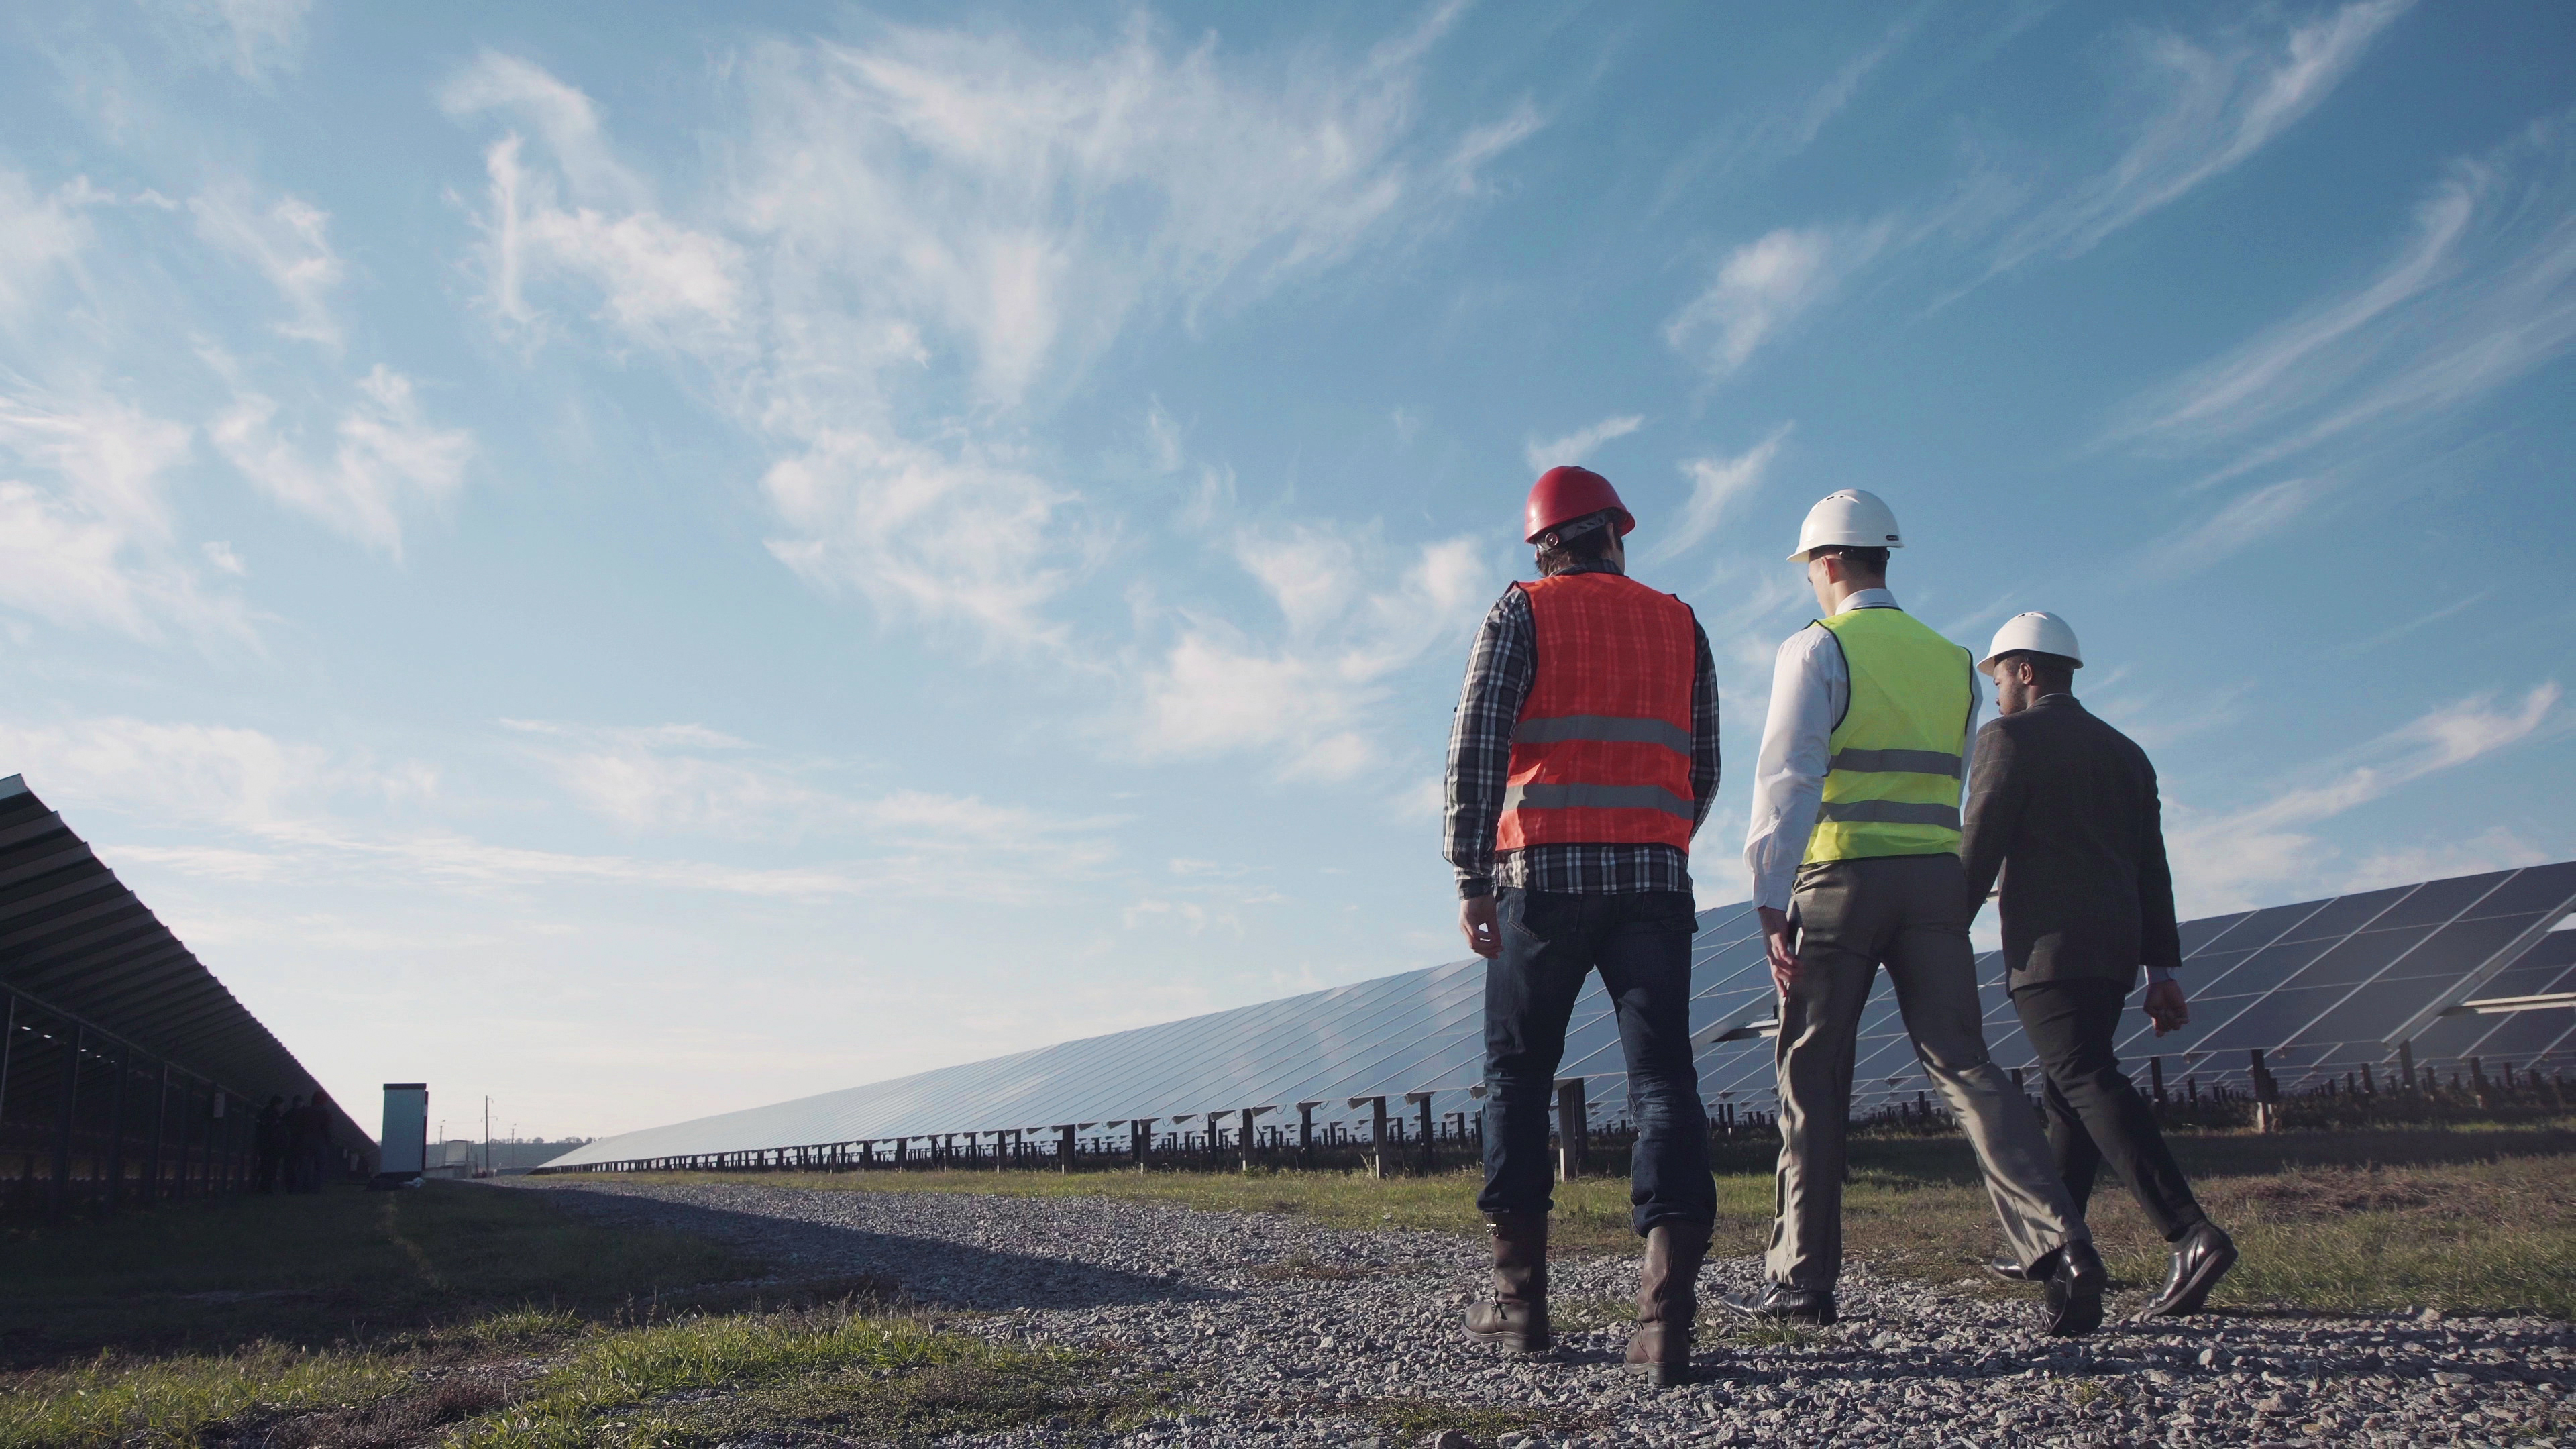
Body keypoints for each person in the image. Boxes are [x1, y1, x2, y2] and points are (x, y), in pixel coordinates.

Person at [1729, 489, 2107, 1336]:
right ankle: (2064, 1245)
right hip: (1935, 885)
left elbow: (1787, 781)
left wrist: (1766, 896)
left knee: (1814, 1075)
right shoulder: (1951, 658)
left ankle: (1803, 1280)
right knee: (1966, 1066)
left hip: (1840, 882)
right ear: (1882, 558)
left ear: (1827, 563)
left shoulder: (1817, 648)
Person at [1446, 465, 1722, 1387]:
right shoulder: (1681, 623)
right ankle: (1665, 1318)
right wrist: (1657, 837)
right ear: (1616, 533)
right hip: (1653, 877)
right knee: (1663, 1081)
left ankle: (1520, 1305)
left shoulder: (1520, 612)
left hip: (1542, 877)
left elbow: (1478, 741)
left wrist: (1469, 872)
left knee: (1519, 1080)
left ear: (1543, 544)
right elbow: (1704, 763)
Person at [1964, 612, 2239, 1318]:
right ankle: (2055, 1249)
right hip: (2115, 951)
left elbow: (1979, 847)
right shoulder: (2127, 752)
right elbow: (2154, 869)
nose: (1994, 695)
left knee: (2084, 1079)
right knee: (2069, 1092)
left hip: (2049, 953)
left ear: (2026, 671)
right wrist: (2162, 969)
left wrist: (1935, 930)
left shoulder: (2009, 739)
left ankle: (2189, 1231)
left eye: (1997, 677)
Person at [254, 1095, 286, 1193]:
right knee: (269, 1168)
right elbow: (274, 1131)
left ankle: (264, 1188)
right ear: (277, 1105)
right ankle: (265, 1188)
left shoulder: (266, 1114)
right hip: (271, 1146)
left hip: (267, 1145)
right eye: (282, 1106)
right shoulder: (273, 1116)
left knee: (266, 1167)